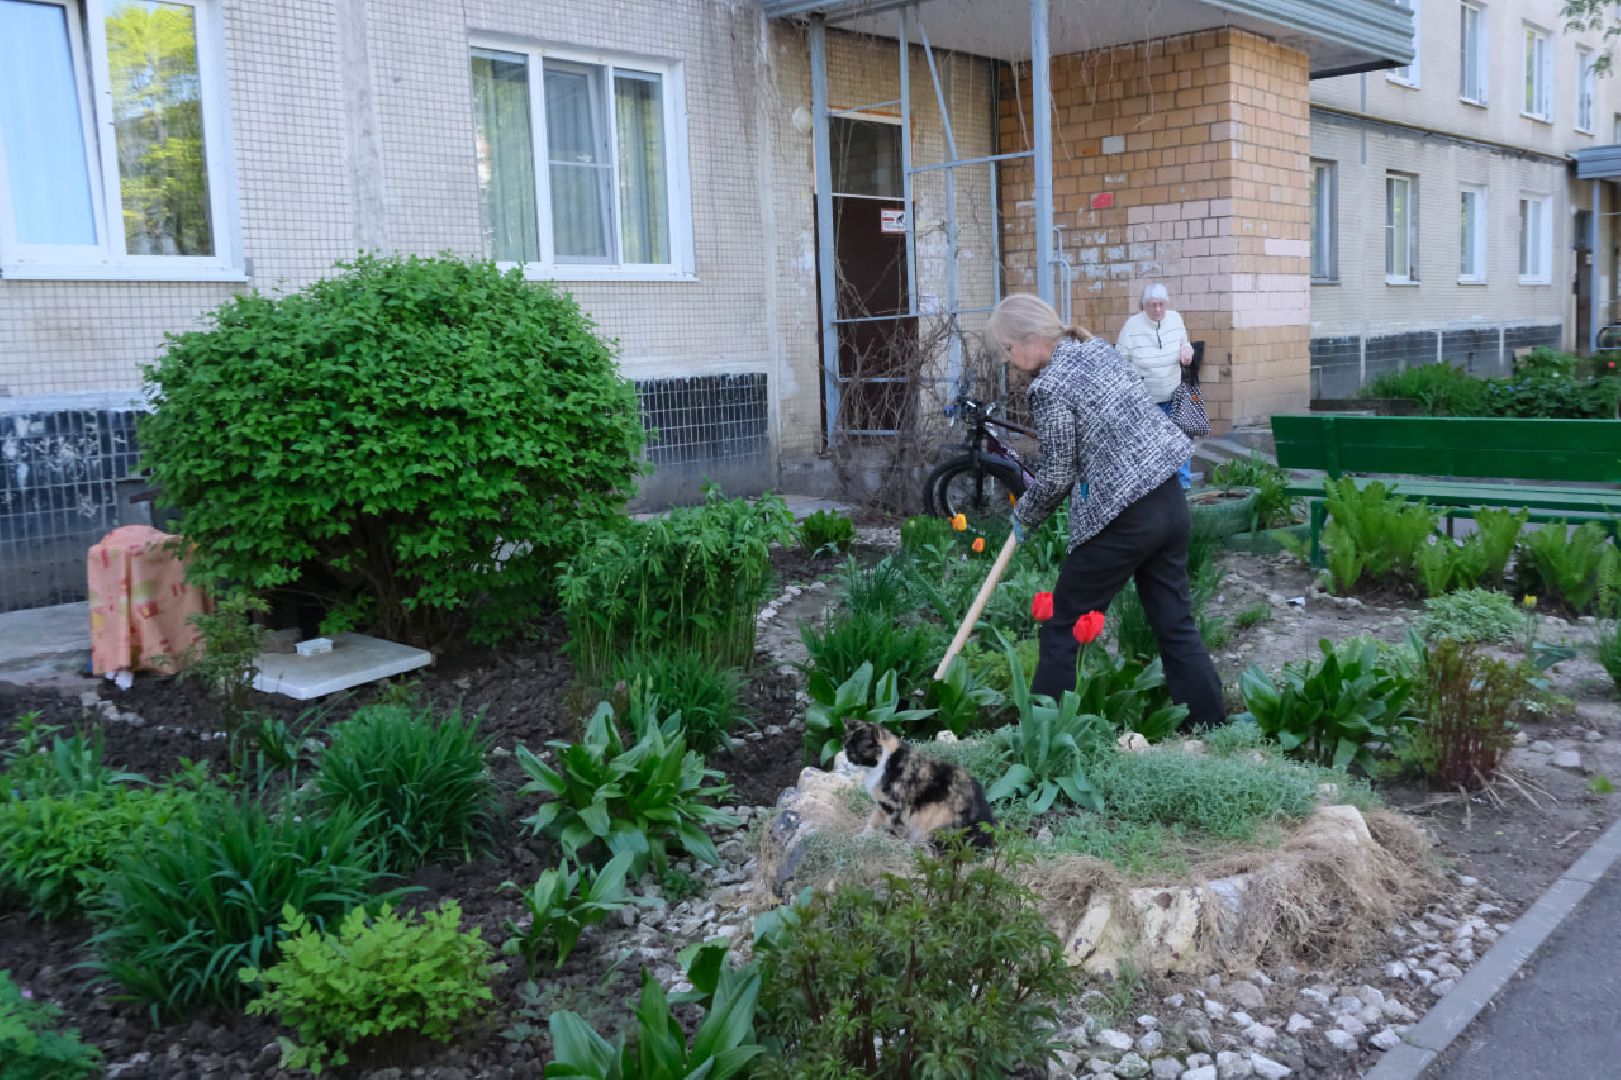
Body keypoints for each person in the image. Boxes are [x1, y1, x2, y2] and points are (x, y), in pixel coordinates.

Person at [988, 293, 1223, 727]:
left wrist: (1025, 518)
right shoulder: (1097, 350)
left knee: (1061, 624)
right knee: (1175, 625)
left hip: (1124, 517)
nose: (1008, 359)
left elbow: (1058, 473)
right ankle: (1211, 729)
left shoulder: (1050, 386)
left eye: (1007, 348)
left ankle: (1043, 739)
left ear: (1030, 339)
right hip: (1170, 502)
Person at [1116, 283, 1194, 489]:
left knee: (1179, 441)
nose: (1158, 309)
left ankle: (1184, 487)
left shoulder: (1176, 319)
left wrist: (1187, 352)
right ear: (1144, 305)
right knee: (1150, 447)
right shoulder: (1132, 326)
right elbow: (1120, 360)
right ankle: (1156, 490)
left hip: (1174, 396)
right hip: (1145, 401)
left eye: (1161, 304)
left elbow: (1184, 342)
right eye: (1152, 305)